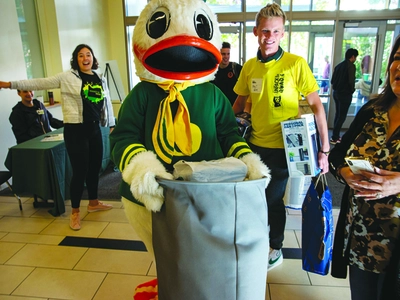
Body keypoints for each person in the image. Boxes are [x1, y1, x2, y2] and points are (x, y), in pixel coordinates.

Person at [232, 3, 330, 271]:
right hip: (253, 145)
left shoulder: (295, 64)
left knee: (272, 199)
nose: (270, 37)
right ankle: (255, 240)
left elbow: (317, 105)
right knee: (252, 198)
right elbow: (239, 103)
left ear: (283, 33)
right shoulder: (250, 66)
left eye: (276, 31)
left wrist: (325, 148)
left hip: (284, 148)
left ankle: (275, 247)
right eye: (265, 31)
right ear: (256, 32)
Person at [0, 44, 116, 231]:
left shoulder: (99, 77)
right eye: (81, 55)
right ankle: (75, 212)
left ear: (93, 58)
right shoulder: (67, 77)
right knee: (80, 172)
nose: (85, 58)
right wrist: (9, 85)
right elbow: (39, 83)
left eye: (88, 54)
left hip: (94, 129)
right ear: (76, 59)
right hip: (75, 130)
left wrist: (110, 124)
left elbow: (106, 102)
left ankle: (93, 202)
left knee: (94, 168)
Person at [329, 35, 400, 300]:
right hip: (360, 236)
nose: (399, 67)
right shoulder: (372, 109)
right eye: (397, 59)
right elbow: (338, 155)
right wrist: (344, 172)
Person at [330, 48, 359, 144]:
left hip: (336, 93)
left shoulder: (338, 66)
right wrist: (352, 90)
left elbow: (332, 81)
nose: (355, 59)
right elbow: (351, 81)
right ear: (353, 56)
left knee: (338, 115)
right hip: (345, 94)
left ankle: (335, 135)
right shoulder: (351, 66)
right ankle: (335, 137)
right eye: (355, 57)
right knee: (342, 116)